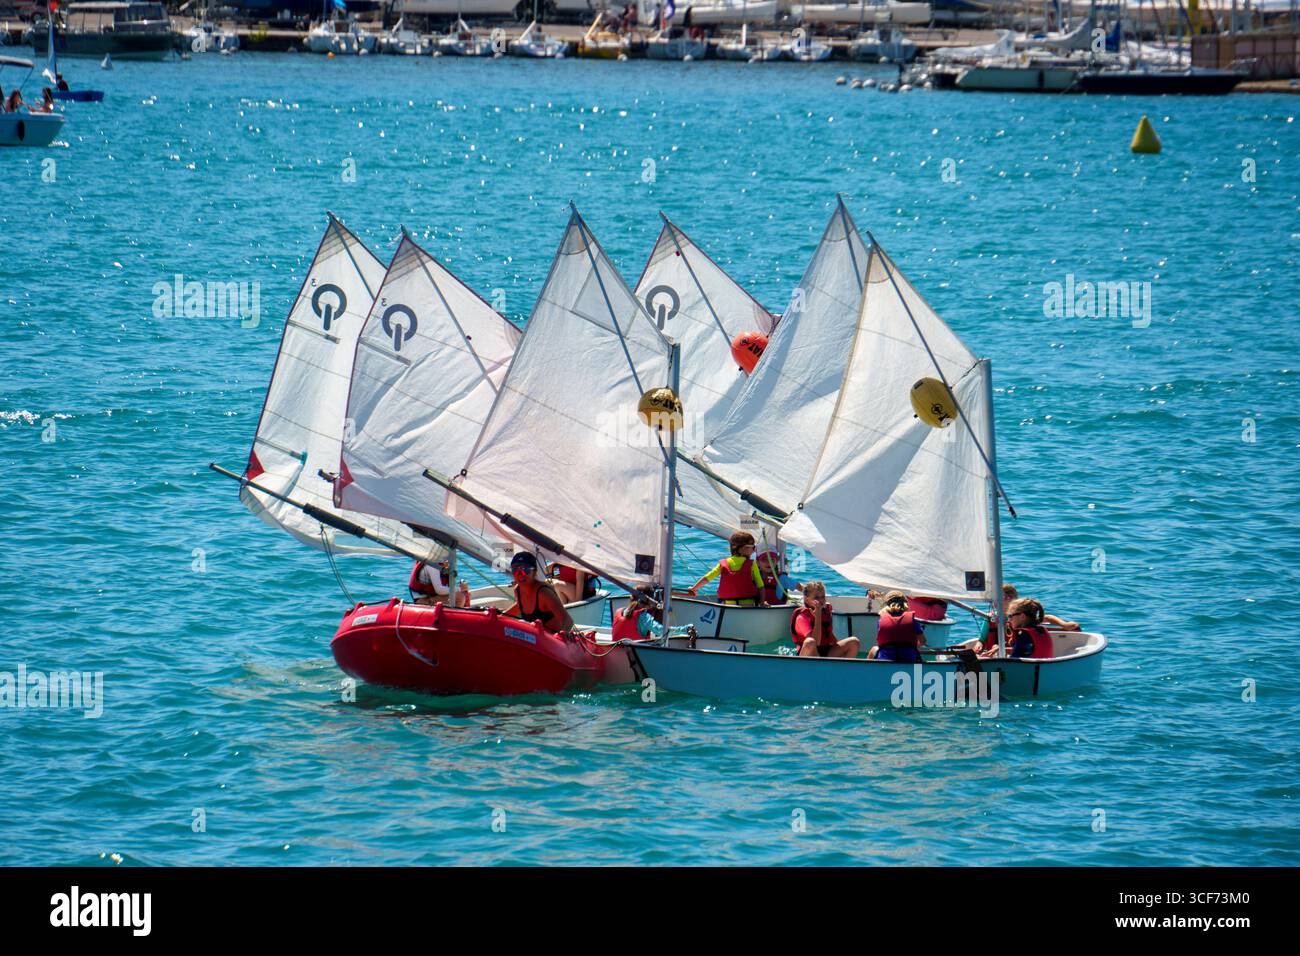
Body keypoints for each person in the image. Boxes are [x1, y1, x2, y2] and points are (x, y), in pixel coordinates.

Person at [685, 530, 767, 606]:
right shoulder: (752, 564)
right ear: (742, 548)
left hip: (728, 605)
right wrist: (762, 602)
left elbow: (707, 578)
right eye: (752, 547)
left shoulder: (723, 564)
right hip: (747, 605)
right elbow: (761, 586)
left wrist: (694, 588)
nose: (754, 550)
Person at [503, 552, 574, 632]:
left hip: (554, 640)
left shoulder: (544, 593)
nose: (520, 574)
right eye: (515, 570)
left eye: (525, 570)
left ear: (534, 572)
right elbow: (520, 606)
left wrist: (560, 637)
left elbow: (568, 621)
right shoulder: (518, 590)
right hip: (536, 639)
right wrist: (500, 615)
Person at [791, 581, 859, 658]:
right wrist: (818, 616)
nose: (820, 600)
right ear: (806, 599)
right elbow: (816, 642)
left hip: (826, 651)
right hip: (810, 653)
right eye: (816, 598)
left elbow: (829, 634)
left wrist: (839, 648)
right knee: (810, 642)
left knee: (854, 642)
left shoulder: (826, 610)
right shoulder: (802, 618)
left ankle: (843, 669)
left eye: (823, 597)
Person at [612, 587, 697, 642]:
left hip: (616, 655)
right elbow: (661, 631)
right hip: (634, 657)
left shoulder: (619, 611)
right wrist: (686, 629)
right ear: (650, 600)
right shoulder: (643, 617)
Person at [867, 590, 925, 663]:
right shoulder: (912, 621)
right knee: (914, 651)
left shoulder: (881, 620)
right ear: (905, 604)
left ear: (887, 605)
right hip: (908, 659)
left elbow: (880, 642)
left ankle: (869, 671)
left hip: (886, 659)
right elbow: (922, 641)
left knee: (874, 649)